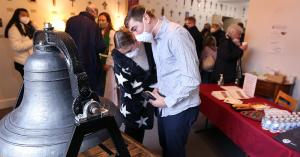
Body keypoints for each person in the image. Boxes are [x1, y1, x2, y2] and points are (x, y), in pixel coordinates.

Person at [125, 5, 201, 157]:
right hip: (166, 101)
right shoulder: (155, 38)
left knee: (174, 151)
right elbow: (167, 70)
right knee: (165, 146)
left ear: (146, 18)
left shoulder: (176, 34)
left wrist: (166, 101)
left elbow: (192, 79)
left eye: (135, 28)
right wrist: (158, 88)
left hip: (181, 106)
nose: (134, 35)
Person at [112, 29, 157, 143]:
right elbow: (128, 87)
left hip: (145, 102)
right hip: (130, 104)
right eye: (124, 53)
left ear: (136, 42)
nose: (127, 55)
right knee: (131, 136)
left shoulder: (148, 47)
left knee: (140, 134)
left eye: (129, 50)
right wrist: (150, 80)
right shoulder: (119, 57)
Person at [65, 4, 106, 96]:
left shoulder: (70, 21)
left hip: (72, 62)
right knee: (90, 92)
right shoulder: (94, 26)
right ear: (94, 12)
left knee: (75, 89)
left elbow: (66, 41)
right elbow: (101, 47)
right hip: (90, 65)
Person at [4, 8, 36, 78]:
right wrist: (33, 41)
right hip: (22, 62)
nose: (26, 17)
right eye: (23, 15)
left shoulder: (29, 26)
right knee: (29, 86)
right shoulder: (14, 29)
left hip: (30, 62)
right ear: (17, 16)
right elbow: (17, 46)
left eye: (27, 15)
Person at [98, 12, 118, 106]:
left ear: (108, 21)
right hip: (99, 62)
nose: (100, 22)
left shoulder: (111, 33)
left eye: (103, 20)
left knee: (109, 86)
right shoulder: (97, 32)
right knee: (101, 85)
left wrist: (108, 63)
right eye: (99, 20)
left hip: (108, 63)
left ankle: (110, 105)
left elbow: (112, 49)